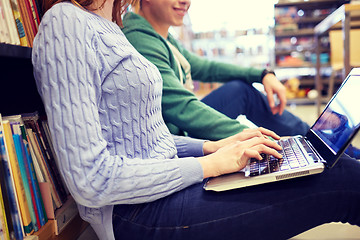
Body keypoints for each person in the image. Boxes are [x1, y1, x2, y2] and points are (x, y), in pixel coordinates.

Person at [32, 0, 360, 240]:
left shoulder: (112, 27)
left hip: (164, 186)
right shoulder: (67, 22)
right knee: (344, 182)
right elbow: (92, 180)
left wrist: (213, 147)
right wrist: (211, 165)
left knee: (329, 168)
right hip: (136, 213)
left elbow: (149, 140)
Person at [121, 0, 310, 140]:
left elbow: (208, 68)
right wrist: (250, 136)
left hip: (182, 128)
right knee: (242, 95)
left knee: (240, 90)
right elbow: (181, 108)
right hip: (178, 139)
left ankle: (309, 136)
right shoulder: (140, 40)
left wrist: (263, 75)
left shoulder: (162, 38)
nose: (186, 2)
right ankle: (309, 138)